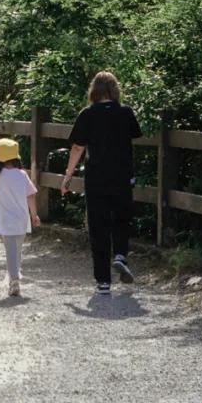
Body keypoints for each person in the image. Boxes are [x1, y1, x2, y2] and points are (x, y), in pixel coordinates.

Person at [61, 71, 142, 295]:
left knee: (98, 227)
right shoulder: (125, 113)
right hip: (122, 176)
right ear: (115, 89)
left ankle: (103, 282)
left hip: (96, 177)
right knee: (122, 218)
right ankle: (120, 255)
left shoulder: (87, 114)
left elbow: (77, 147)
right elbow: (136, 135)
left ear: (93, 90)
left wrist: (68, 176)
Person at [0, 138, 40, 297]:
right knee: (17, 251)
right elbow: (30, 196)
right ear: (16, 157)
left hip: (6, 220)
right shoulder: (22, 175)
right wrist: (34, 215)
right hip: (22, 220)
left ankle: (14, 280)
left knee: (10, 250)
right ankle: (15, 275)